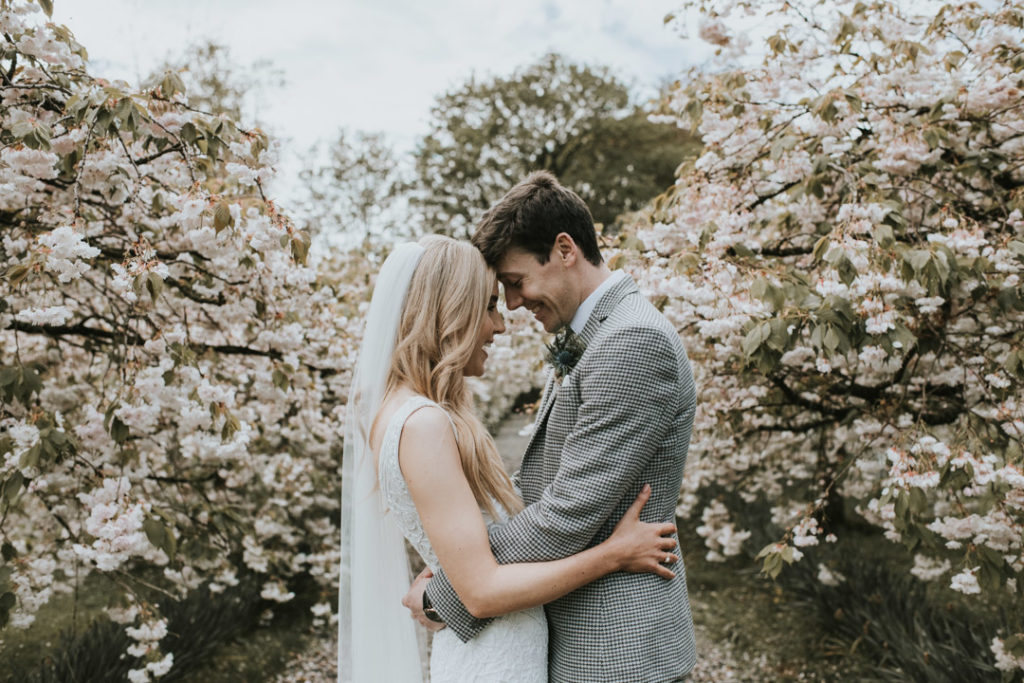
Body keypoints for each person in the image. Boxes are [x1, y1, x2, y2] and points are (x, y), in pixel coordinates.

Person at [338, 234, 681, 682]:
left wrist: (447, 580)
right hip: (493, 656)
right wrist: (613, 555)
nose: (499, 325)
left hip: (502, 645)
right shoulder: (423, 424)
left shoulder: (400, 411)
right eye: (488, 306)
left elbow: (468, 549)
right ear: (450, 310)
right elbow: (480, 593)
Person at [404, 173, 698, 682]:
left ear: (564, 249)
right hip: (580, 631)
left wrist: (454, 585)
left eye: (516, 282)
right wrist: (465, 555)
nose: (513, 304)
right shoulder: (596, 334)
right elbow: (545, 484)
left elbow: (568, 515)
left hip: (615, 646)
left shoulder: (631, 343)